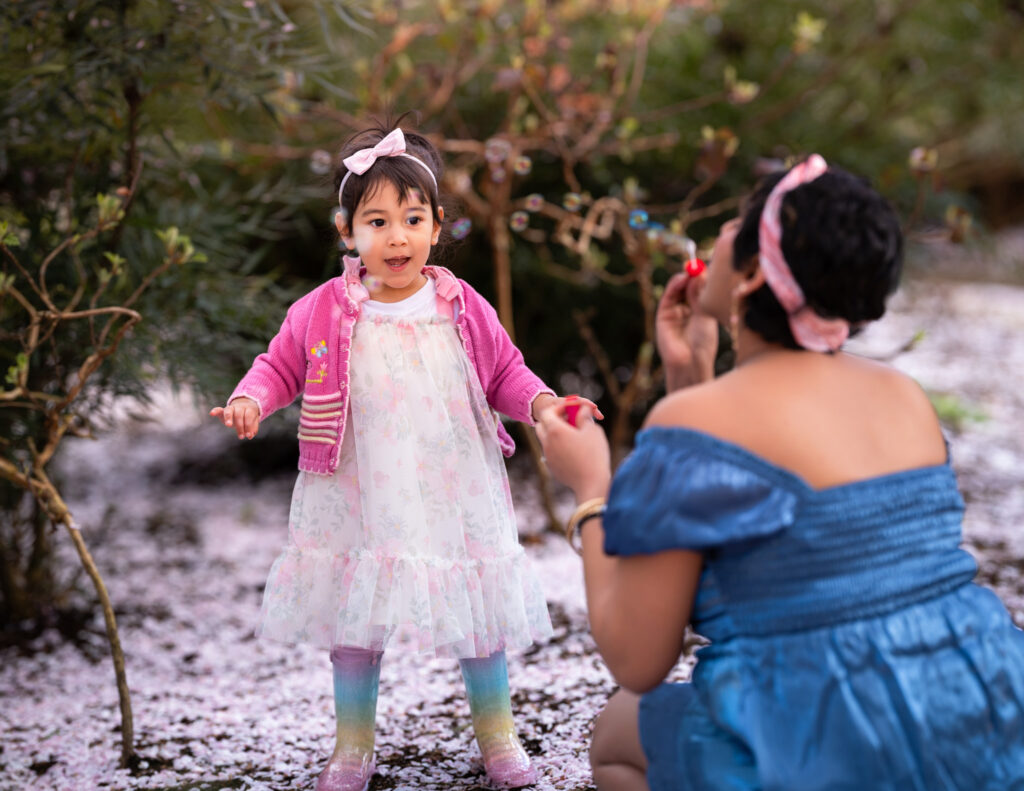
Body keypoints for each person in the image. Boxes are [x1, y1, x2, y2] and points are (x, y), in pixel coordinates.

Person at [536, 155, 1024, 790]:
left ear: (752, 276)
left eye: (738, 222)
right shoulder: (903, 395)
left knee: (619, 737)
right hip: (976, 704)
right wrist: (692, 379)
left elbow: (638, 659)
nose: (717, 236)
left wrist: (592, 487)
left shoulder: (698, 424)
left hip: (826, 730)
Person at [211, 121, 596, 791]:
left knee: (476, 601)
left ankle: (497, 734)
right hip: (361, 486)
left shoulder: (459, 304)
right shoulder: (324, 308)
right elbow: (280, 364)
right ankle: (353, 745)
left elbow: (506, 370)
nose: (396, 236)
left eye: (412, 218)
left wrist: (541, 405)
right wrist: (252, 397)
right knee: (357, 613)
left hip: (453, 481)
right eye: (378, 220)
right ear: (347, 232)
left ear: (437, 225)